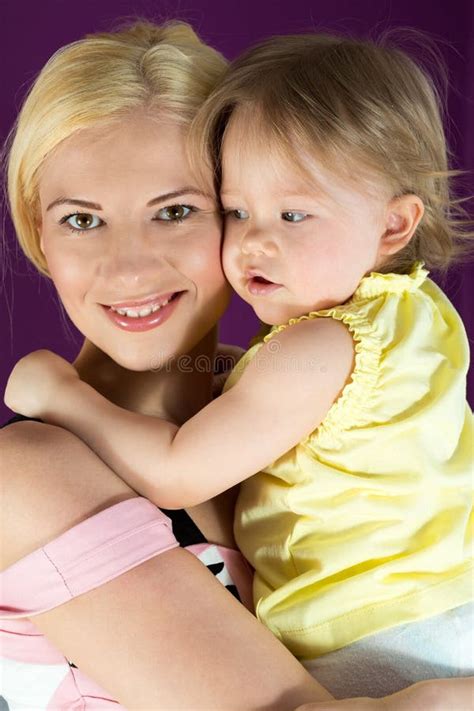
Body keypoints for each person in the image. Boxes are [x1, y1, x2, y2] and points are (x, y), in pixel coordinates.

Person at [7, 30, 474, 703]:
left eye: (176, 210)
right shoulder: (24, 474)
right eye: (82, 220)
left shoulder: (309, 415)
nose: (130, 265)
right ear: (39, 233)